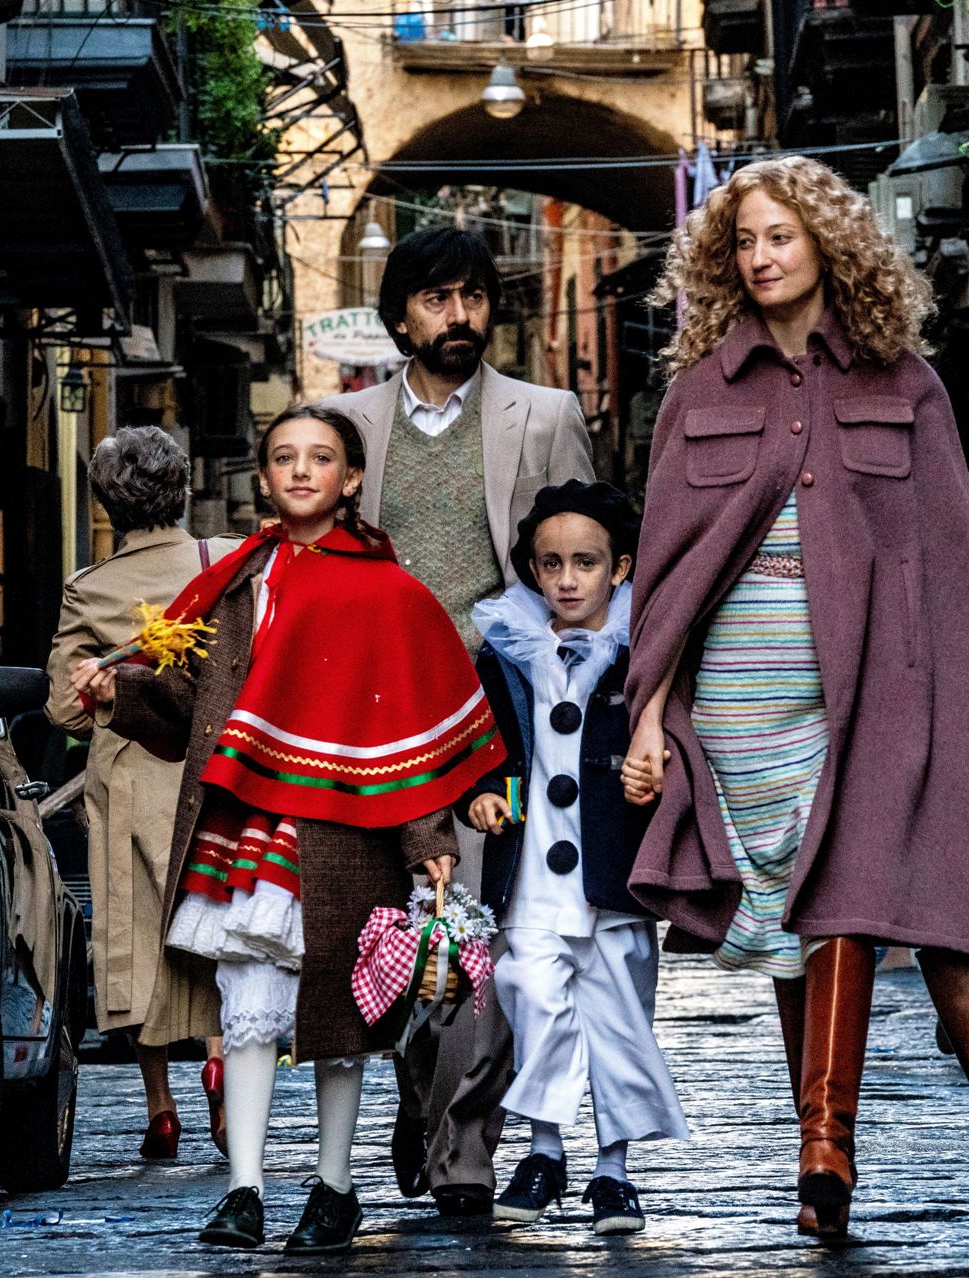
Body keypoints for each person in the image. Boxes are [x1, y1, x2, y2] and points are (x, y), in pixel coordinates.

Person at [621, 156, 969, 1238]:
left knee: (847, 900)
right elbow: (666, 576)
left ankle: (826, 1145)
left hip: (871, 692)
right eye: (743, 241)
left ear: (828, 244)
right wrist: (648, 716)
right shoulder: (698, 393)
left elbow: (952, 561)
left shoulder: (905, 383)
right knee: (794, 921)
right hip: (736, 702)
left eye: (780, 236)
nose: (761, 257)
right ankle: (815, 1130)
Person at [76, 404, 504, 1255]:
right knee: (248, 1007)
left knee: (339, 1020)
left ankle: (334, 1188)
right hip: (248, 826)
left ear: (351, 479)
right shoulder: (238, 580)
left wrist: (430, 844)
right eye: (283, 457)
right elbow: (191, 698)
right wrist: (121, 692)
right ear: (264, 478)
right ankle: (244, 1190)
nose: (301, 470)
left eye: (320, 457)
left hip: (347, 830)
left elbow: (408, 729)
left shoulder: (388, 593)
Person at [321, 225, 596, 1217]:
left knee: (481, 924)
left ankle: (465, 1151)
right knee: (398, 928)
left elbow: (582, 555)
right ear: (400, 317)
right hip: (379, 715)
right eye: (437, 298)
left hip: (497, 713)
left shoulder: (545, 414)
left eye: (473, 296)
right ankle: (423, 1099)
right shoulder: (347, 424)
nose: (458, 315)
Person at [456, 480, 689, 1236]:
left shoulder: (645, 653)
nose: (566, 579)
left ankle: (612, 1171)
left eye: (585, 563)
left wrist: (655, 770)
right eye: (550, 563)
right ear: (531, 568)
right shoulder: (505, 652)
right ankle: (545, 1150)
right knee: (529, 992)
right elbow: (483, 746)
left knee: (618, 1019)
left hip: (612, 873)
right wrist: (482, 794)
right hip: (529, 875)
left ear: (619, 568)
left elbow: (680, 737)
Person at [46, 426, 238, 1158]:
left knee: (135, 940)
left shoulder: (90, 589)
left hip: (131, 779)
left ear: (104, 504)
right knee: (216, 922)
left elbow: (65, 712)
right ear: (181, 490)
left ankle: (160, 1108)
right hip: (215, 773)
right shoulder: (225, 562)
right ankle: (221, 1060)